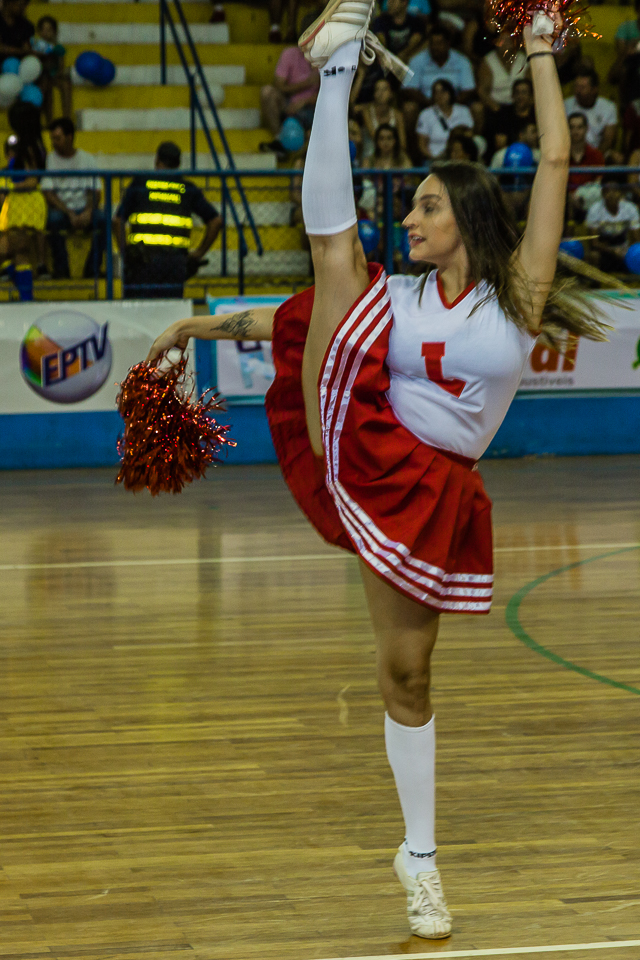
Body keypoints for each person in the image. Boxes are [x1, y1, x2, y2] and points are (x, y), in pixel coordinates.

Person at [144, 0, 609, 942]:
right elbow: (302, 311)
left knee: (407, 674)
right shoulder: (388, 293)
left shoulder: (515, 297)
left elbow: (554, 157)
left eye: (428, 204)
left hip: (431, 488)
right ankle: (340, 67)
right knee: (337, 260)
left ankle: (414, 852)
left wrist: (538, 51)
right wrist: (204, 325)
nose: (414, 214)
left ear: (467, 215)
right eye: (413, 203)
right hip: (359, 440)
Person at [113, 141, 222, 299]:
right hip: (174, 263)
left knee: (138, 316)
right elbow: (216, 221)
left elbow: (117, 221)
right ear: (178, 164)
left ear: (157, 160)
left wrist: (125, 253)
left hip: (141, 262)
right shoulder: (187, 188)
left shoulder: (140, 184)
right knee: (170, 315)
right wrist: (198, 253)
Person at [41, 117, 106, 280]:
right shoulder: (50, 159)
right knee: (52, 219)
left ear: (69, 137)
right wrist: (69, 212)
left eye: (57, 138)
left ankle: (93, 269)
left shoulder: (87, 159)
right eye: (52, 139)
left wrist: (88, 211)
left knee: (104, 219)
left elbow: (96, 190)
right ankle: (62, 269)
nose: (54, 143)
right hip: (62, 210)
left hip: (84, 208)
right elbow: (48, 193)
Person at [0, 101, 47, 298]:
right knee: (11, 251)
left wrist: (9, 187)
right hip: (18, 201)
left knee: (19, 250)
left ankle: (27, 298)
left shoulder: (29, 147)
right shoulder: (30, 144)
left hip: (27, 201)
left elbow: (32, 180)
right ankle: (25, 295)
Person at [259, 40, 319, 157]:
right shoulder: (290, 53)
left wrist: (304, 101)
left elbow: (332, 94)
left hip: (313, 109)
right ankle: (279, 139)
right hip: (289, 104)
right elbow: (278, 85)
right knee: (267, 92)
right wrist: (306, 83)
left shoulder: (327, 58)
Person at [586, 176, 640, 273]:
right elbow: (593, 243)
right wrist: (612, 251)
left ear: (621, 193)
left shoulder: (630, 208)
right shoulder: (594, 210)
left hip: (624, 249)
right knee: (593, 256)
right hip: (604, 250)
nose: (611, 194)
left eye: (615, 191)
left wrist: (628, 251)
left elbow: (636, 239)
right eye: (608, 191)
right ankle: (596, 285)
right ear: (603, 193)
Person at [564, 68, 618, 156]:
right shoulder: (565, 105)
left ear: (594, 89)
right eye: (576, 86)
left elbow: (608, 141)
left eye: (582, 87)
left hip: (598, 152)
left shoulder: (608, 107)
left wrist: (593, 158)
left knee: (616, 157)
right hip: (570, 152)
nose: (578, 91)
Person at [416, 78, 473, 160]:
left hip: (459, 157)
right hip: (435, 157)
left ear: (450, 93)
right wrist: (433, 158)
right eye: (436, 92)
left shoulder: (463, 111)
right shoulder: (425, 114)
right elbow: (422, 144)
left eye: (443, 91)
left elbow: (469, 135)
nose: (439, 95)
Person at [353, 75, 407, 157]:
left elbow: (403, 143)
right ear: (374, 94)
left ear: (391, 94)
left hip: (392, 157)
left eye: (384, 89)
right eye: (377, 89)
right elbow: (376, 137)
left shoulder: (397, 115)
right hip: (370, 156)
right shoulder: (366, 111)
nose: (380, 93)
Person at [32, 16, 72, 123]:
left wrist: (58, 74)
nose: (46, 33)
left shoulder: (57, 48)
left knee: (66, 85)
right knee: (45, 87)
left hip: (54, 76)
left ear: (54, 32)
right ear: (39, 32)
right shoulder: (36, 47)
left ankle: (67, 120)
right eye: (43, 30)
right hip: (41, 77)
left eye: (49, 30)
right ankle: (47, 121)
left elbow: (61, 65)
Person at [0, 0, 33, 67]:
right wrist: (21, 51)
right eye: (20, 4)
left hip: (18, 63)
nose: (23, 8)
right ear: (9, 3)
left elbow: (26, 48)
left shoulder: (25, 24)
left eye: (25, 5)